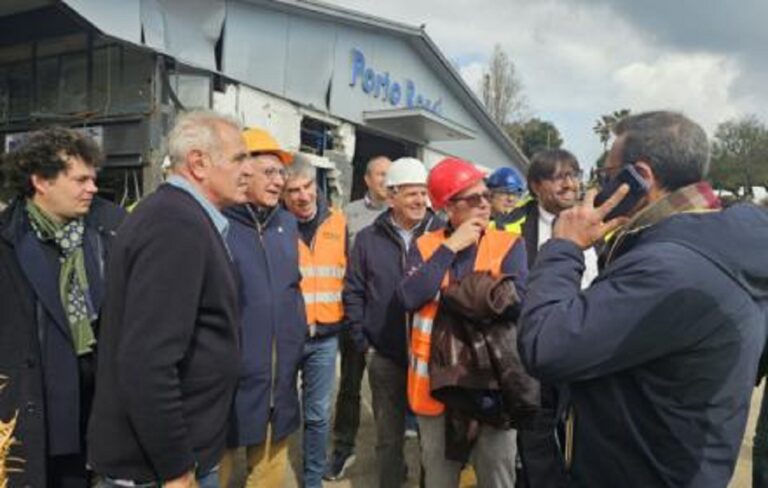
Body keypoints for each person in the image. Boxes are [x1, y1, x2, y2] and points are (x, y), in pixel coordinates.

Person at [518, 111, 768, 488]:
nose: (599, 187)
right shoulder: (722, 242)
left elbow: (545, 344)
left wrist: (563, 247)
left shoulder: (669, 266)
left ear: (640, 177)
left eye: (606, 175)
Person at [87, 110, 253, 487]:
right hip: (159, 468)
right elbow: (147, 360)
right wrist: (175, 467)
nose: (249, 170)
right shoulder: (176, 225)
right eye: (239, 158)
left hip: (175, 457)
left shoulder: (182, 217)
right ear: (199, 163)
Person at [0, 128, 125, 488]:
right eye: (81, 180)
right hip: (31, 411)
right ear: (41, 181)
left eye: (94, 179)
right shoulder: (8, 240)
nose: (93, 188)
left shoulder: (106, 232)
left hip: (91, 411)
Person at [399, 157, 528, 487]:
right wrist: (450, 249)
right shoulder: (427, 245)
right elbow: (410, 296)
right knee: (439, 478)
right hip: (437, 386)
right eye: (473, 199)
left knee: (497, 477)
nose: (484, 204)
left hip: (491, 383)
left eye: (486, 195)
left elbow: (516, 301)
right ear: (447, 207)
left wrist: (449, 293)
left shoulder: (509, 244)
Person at [502, 150, 596, 488]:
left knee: (584, 434)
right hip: (533, 352)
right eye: (559, 177)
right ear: (535, 186)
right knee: (536, 438)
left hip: (589, 348)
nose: (570, 184)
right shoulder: (508, 226)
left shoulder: (601, 221)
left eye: (574, 174)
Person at [345, 157, 439, 487]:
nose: (420, 201)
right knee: (388, 439)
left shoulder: (442, 234)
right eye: (411, 193)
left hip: (432, 358)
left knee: (432, 441)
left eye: (423, 193)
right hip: (385, 355)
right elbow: (353, 291)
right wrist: (364, 343)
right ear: (392, 196)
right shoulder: (368, 239)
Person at [218, 127, 304, 488]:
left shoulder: (287, 223)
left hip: (277, 378)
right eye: (269, 172)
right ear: (243, 170)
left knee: (270, 474)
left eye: (281, 173)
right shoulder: (217, 223)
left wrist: (296, 344)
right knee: (213, 473)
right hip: (226, 382)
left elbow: (292, 288)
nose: (279, 181)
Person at [281, 155, 347, 488]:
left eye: (307, 186)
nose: (303, 196)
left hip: (325, 338)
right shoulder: (277, 226)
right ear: (283, 194)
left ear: (315, 184)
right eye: (293, 190)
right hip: (287, 336)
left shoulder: (339, 223)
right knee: (277, 408)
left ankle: (312, 480)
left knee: (318, 415)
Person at [326, 155, 391, 480]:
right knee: (350, 386)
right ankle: (343, 446)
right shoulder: (348, 215)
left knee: (389, 391)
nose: (386, 181)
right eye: (381, 174)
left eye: (390, 175)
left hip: (389, 318)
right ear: (367, 179)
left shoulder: (402, 213)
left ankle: (392, 454)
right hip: (355, 315)